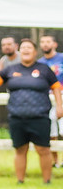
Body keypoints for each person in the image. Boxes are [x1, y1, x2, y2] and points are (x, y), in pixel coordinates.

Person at [0, 39, 63, 184]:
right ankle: (20, 181)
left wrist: (59, 107)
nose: (26, 50)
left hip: (40, 116)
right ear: (19, 51)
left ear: (35, 52)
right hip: (17, 116)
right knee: (20, 150)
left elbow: (56, 88)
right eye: (23, 48)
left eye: (29, 48)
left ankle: (47, 181)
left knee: (44, 150)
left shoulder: (44, 69)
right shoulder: (11, 69)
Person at [38, 34, 63, 167]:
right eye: (42, 42)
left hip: (62, 95)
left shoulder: (61, 58)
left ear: (55, 44)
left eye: (48, 41)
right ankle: (56, 161)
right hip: (46, 97)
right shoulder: (40, 63)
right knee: (50, 131)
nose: (45, 44)